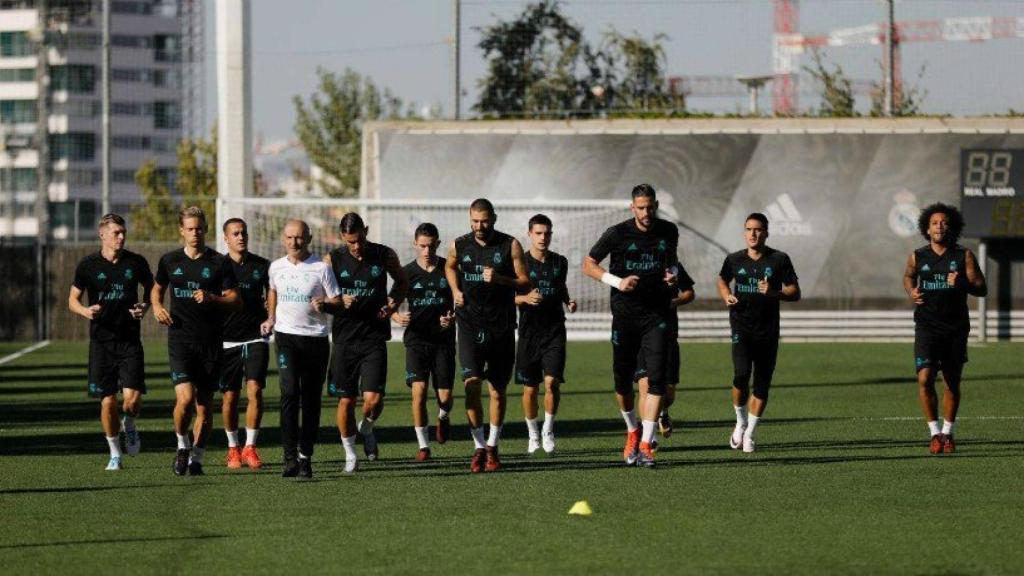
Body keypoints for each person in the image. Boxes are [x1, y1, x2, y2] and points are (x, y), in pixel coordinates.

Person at [584, 184, 680, 468]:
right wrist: (618, 282)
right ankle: (632, 431)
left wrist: (673, 275)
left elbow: (672, 263)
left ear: (656, 205)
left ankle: (647, 445)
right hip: (625, 317)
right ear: (632, 208)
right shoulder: (617, 233)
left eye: (650, 207)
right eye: (641, 208)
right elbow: (588, 264)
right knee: (622, 383)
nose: (646, 212)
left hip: (657, 316)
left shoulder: (669, 231)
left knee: (656, 380)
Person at [152, 206, 240, 476]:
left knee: (204, 406)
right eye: (190, 229)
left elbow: (235, 299)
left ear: (206, 229)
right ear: (182, 230)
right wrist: (156, 307)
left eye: (199, 229)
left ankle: (197, 458)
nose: (195, 233)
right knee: (186, 399)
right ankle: (182, 445)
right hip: (180, 340)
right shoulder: (170, 261)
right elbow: (157, 289)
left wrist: (212, 298)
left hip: (211, 342)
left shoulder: (219, 262)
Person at [445, 198, 530, 473]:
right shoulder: (459, 244)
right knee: (471, 385)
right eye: (475, 221)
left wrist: (501, 279)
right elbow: (449, 266)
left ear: (493, 218)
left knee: (497, 391)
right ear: (469, 219)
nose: (479, 226)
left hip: (501, 327)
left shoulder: (510, 245)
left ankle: (493, 446)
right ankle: (479, 446)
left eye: (484, 221)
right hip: (469, 324)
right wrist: (456, 290)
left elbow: (525, 282)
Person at [68, 213, 154, 471]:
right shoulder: (88, 265)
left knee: (132, 402)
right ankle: (115, 454)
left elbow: (152, 288)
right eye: (116, 232)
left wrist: (145, 306)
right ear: (102, 234)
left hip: (129, 341)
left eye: (123, 232)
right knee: (107, 402)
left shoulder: (136, 262)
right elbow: (72, 300)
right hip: (101, 344)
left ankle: (130, 423)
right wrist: (85, 311)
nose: (121, 237)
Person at [326, 213, 407, 473]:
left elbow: (402, 281)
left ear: (366, 231)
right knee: (346, 400)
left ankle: (367, 427)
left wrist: (392, 304)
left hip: (374, 336)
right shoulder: (332, 259)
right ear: (342, 237)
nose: (357, 246)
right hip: (344, 339)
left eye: (360, 239)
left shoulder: (384, 254)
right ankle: (350, 454)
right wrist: (339, 300)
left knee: (373, 399)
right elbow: (320, 294)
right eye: (351, 242)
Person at [902, 203, 986, 454]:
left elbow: (981, 288)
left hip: (955, 328)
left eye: (944, 222)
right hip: (926, 326)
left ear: (952, 228)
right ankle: (934, 433)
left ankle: (947, 433)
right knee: (925, 377)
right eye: (934, 223)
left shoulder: (964, 255)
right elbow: (908, 276)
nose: (939, 226)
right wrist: (911, 290)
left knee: (951, 382)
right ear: (927, 229)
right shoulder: (918, 256)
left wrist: (962, 283)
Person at [716, 212, 800, 454]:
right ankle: (740, 422)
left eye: (758, 229)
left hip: (768, 331)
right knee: (741, 375)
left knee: (762, 385)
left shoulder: (779, 259)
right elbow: (722, 280)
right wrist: (726, 295)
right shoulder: (734, 259)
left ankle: (750, 433)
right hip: (741, 327)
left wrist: (774, 293)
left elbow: (795, 292)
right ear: (744, 232)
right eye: (749, 229)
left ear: (766, 233)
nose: (753, 234)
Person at [264, 219, 340, 478]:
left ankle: (305, 457)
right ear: (283, 239)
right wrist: (271, 317)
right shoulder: (276, 267)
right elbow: (273, 291)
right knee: (288, 393)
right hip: (286, 337)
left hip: (315, 340)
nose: (293, 242)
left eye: (298, 237)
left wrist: (325, 305)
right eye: (289, 237)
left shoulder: (321, 268)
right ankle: (289, 458)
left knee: (310, 399)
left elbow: (337, 301)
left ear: (308, 239)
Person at [392, 223, 456, 461]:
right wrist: (397, 316)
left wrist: (453, 318)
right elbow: (390, 303)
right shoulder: (406, 273)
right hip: (416, 341)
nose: (427, 251)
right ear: (415, 245)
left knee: (445, 397)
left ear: (437, 244)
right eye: (422, 246)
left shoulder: (449, 269)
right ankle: (423, 445)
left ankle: (443, 416)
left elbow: (462, 301)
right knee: (418, 393)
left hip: (443, 342)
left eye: (431, 246)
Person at [514, 214, 576, 455]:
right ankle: (532, 433)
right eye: (538, 233)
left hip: (554, 331)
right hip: (529, 333)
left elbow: (561, 287)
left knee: (551, 383)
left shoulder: (560, 262)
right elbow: (506, 297)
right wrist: (525, 298)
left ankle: (548, 430)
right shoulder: (519, 263)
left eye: (547, 233)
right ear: (529, 234)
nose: (543, 237)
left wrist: (568, 301)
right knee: (530, 389)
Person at [218, 218, 270, 470]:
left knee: (255, 390)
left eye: (244, 233)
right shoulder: (217, 266)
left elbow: (273, 293)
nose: (241, 237)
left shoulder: (262, 265)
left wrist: (271, 314)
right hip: (226, 339)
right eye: (235, 233)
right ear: (226, 238)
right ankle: (232, 448)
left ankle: (250, 447)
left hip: (255, 337)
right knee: (230, 396)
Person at [635, 278, 696, 447]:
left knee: (667, 395)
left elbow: (689, 293)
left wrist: (674, 301)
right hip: (641, 334)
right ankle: (649, 437)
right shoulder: (634, 265)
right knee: (645, 386)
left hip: (667, 336)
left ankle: (663, 411)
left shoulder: (673, 266)